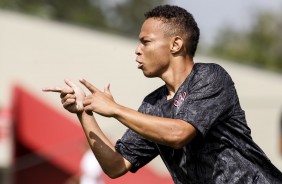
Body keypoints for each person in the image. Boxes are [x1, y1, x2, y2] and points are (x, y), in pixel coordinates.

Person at [43, 5, 282, 184]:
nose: (137, 50)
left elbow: (179, 133)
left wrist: (115, 109)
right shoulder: (153, 105)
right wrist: (84, 112)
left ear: (176, 45)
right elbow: (115, 166)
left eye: (145, 42)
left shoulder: (211, 76)